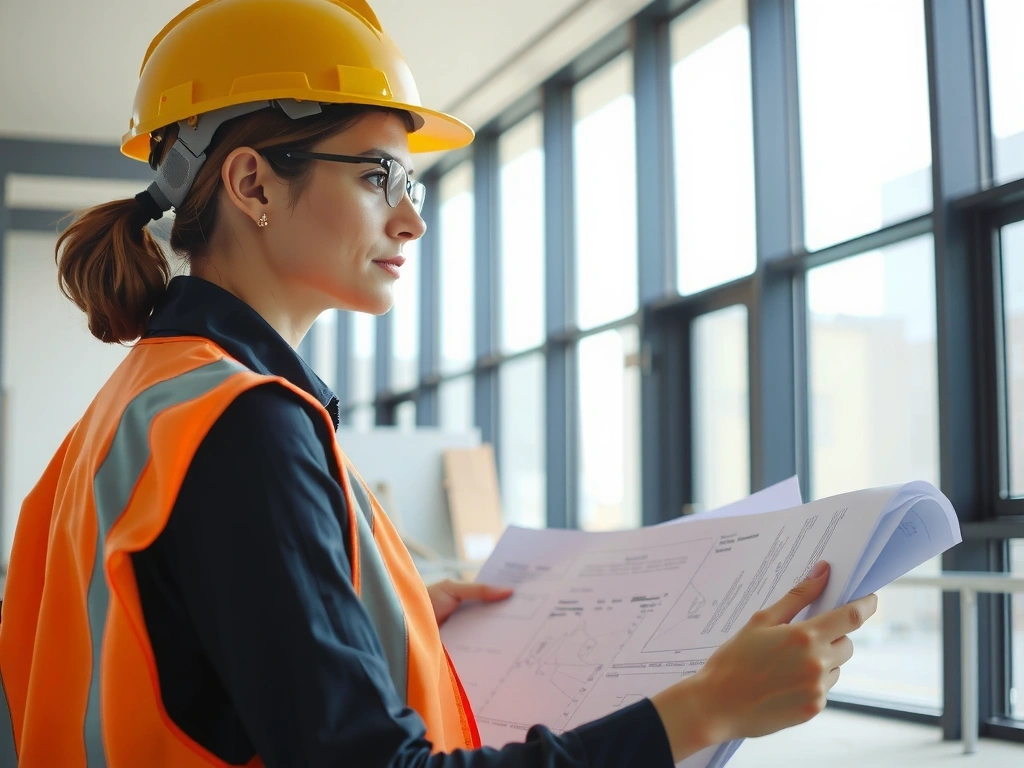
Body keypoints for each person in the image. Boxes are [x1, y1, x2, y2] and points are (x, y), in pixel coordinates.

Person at [0, 1, 877, 766]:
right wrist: (706, 709)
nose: (412, 217)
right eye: (380, 174)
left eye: (411, 180)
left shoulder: (142, 406)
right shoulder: (239, 425)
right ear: (252, 182)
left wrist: (380, 610)